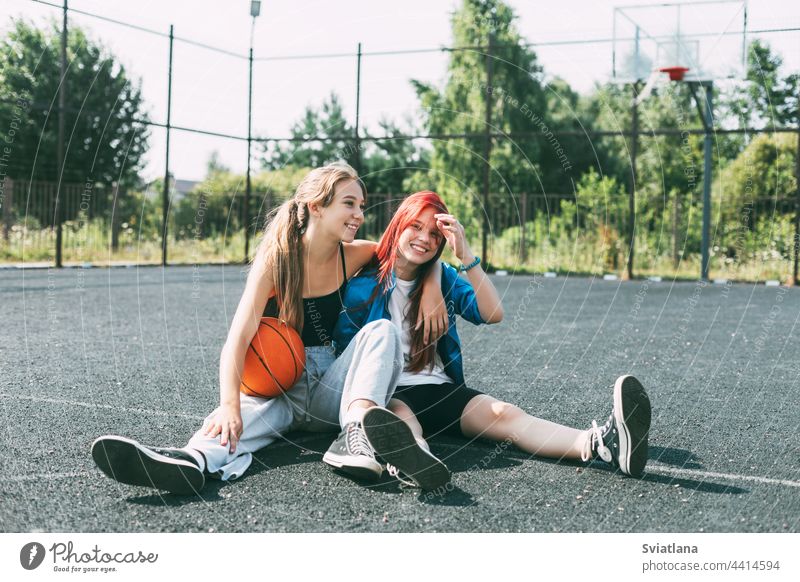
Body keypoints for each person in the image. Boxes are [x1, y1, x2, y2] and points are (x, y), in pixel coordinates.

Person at [91, 164, 448, 495]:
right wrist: (229, 404)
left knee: (381, 331)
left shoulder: (352, 254)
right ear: (316, 207)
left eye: (361, 205)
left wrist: (432, 283)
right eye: (350, 204)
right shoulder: (276, 260)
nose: (359, 215)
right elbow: (238, 338)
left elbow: (413, 253)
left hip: (330, 390)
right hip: (277, 391)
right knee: (229, 424)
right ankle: (190, 461)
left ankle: (354, 436)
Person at [334, 191, 652, 490]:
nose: (424, 239)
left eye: (434, 234)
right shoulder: (363, 284)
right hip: (391, 390)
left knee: (505, 414)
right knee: (402, 418)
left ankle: (600, 443)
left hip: (438, 387)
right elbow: (352, 355)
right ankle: (413, 460)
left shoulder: (443, 277)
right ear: (399, 224)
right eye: (415, 226)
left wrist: (465, 254)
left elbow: (492, 313)